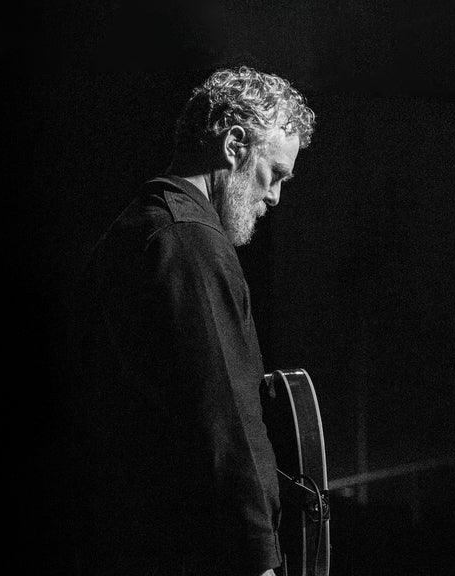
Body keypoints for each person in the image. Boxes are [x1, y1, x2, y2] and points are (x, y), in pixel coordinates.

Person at [71, 66, 315, 576]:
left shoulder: (140, 226)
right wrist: (259, 560)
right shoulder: (190, 241)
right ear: (234, 145)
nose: (275, 197)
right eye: (275, 173)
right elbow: (225, 417)